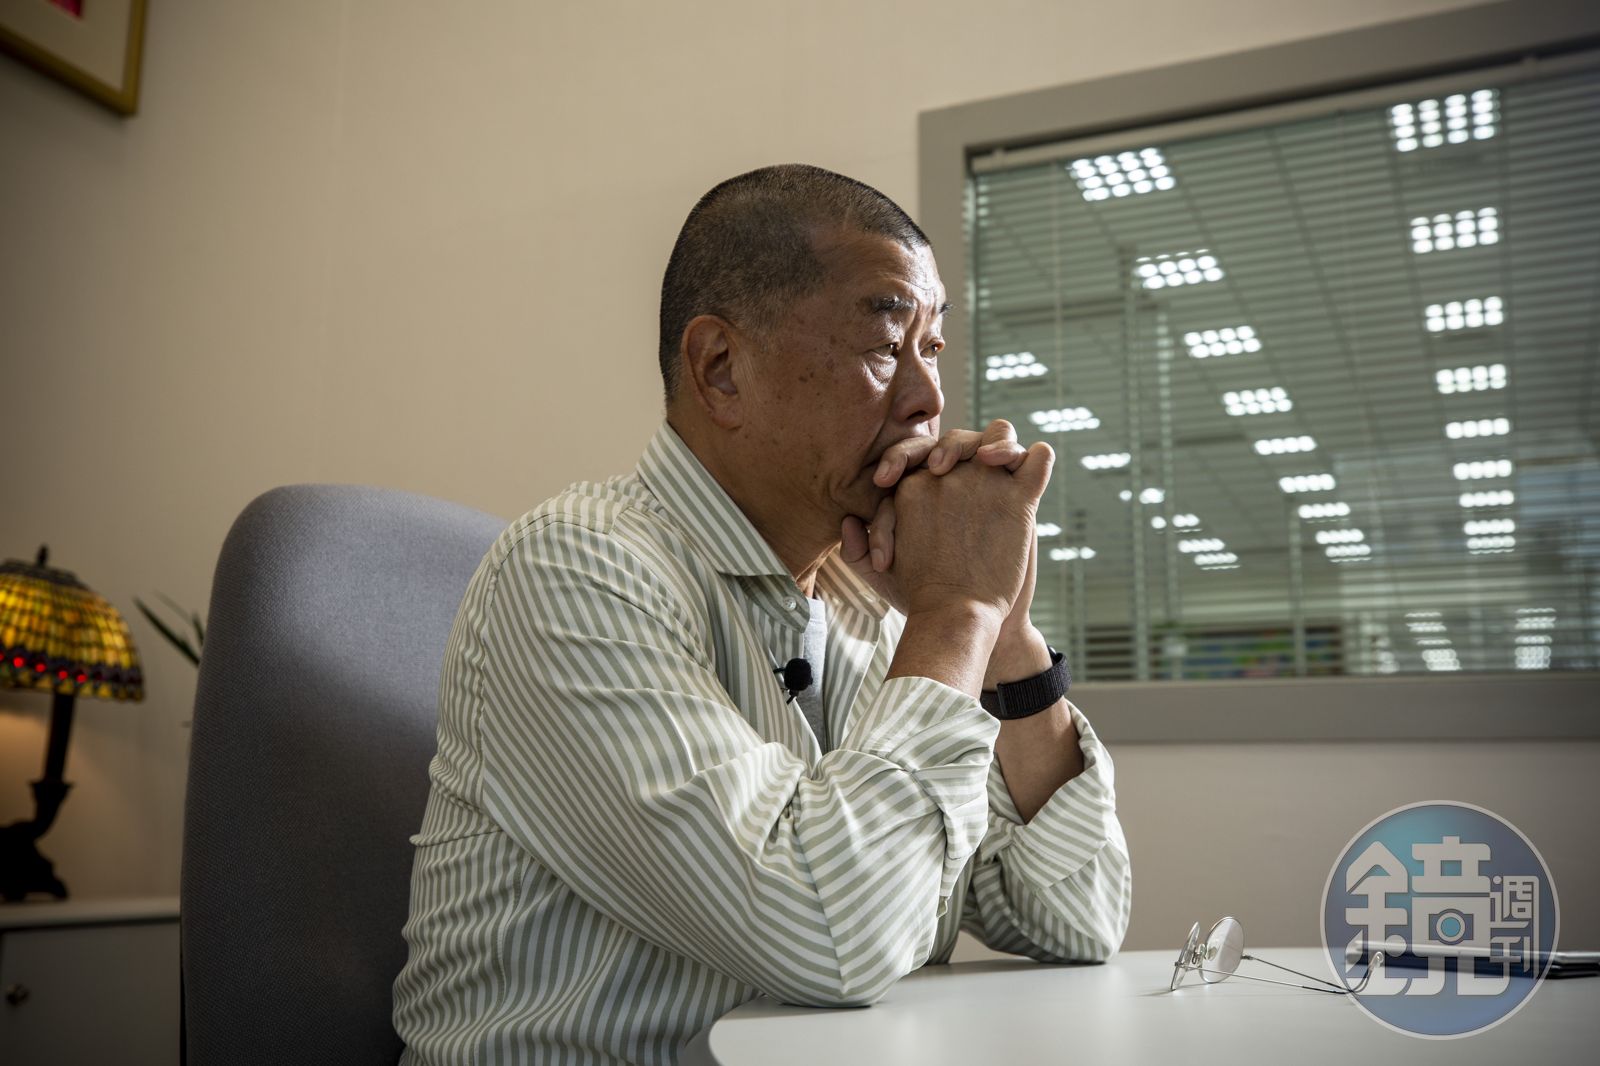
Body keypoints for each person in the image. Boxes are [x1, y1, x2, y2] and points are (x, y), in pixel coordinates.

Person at [392, 164, 1132, 1065]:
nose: (931, 398)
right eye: (885, 344)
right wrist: (955, 615)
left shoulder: (871, 603)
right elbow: (828, 939)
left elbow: (1079, 918)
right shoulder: (577, 569)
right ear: (721, 370)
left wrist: (1004, 634)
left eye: (932, 347)